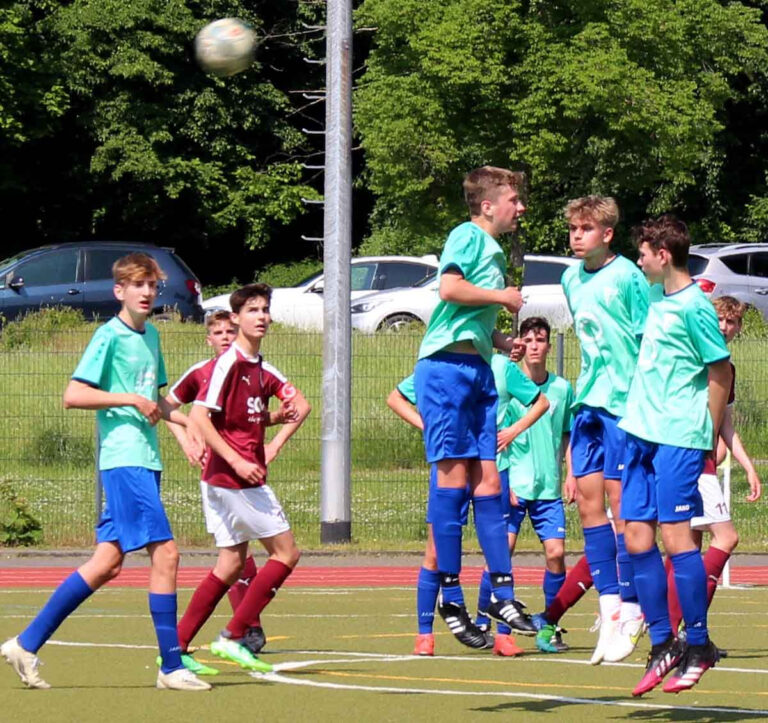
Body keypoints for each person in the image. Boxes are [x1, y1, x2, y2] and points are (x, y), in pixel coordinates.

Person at [0, 253, 210, 691]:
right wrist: (129, 401)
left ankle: (25, 643)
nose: (148, 292)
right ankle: (171, 666)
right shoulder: (108, 336)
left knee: (107, 562)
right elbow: (73, 395)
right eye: (138, 285)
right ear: (120, 291)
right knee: (167, 554)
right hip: (123, 458)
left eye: (152, 285)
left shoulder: (151, 335)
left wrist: (188, 429)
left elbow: (158, 401)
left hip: (145, 460)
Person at [414, 166, 536, 646]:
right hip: (445, 369)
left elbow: (469, 313)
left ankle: (501, 591)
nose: (520, 207)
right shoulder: (467, 234)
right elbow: (448, 289)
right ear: (488, 205)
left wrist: (499, 338)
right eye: (513, 199)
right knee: (453, 477)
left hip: (477, 369)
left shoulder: (494, 247)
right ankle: (448, 592)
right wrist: (502, 298)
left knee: (489, 479)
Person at [619, 214, 732, 696]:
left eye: (643, 252)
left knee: (676, 539)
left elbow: (721, 372)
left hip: (679, 437)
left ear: (662, 255)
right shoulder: (653, 295)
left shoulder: (696, 307)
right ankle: (664, 642)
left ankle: (700, 645)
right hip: (638, 434)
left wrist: (705, 433)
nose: (638, 259)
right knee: (637, 539)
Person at [162, 310, 299, 675]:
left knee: (231, 563)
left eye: (228, 330)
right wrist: (187, 437)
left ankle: (177, 648)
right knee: (285, 553)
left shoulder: (255, 368)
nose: (224, 336)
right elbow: (181, 411)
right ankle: (236, 632)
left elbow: (285, 409)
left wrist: (278, 427)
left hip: (222, 477)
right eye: (218, 331)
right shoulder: (215, 369)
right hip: (233, 477)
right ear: (209, 338)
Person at [561, 195, 649, 664]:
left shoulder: (629, 278)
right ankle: (610, 607)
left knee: (622, 504)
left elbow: (645, 338)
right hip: (588, 401)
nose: (576, 236)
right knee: (588, 506)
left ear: (607, 234)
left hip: (624, 404)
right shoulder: (570, 278)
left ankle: (633, 607)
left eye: (585, 229)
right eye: (573, 228)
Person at [478, 316, 577, 654]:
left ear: (549, 345)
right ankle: (494, 626)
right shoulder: (509, 382)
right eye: (529, 340)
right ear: (520, 344)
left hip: (548, 487)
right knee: (500, 556)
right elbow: (497, 435)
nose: (534, 346)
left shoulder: (562, 389)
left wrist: (571, 474)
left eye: (541, 340)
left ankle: (549, 626)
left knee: (557, 553)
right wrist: (504, 479)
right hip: (514, 485)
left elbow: (566, 434)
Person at [665, 295, 762, 635]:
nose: (724, 327)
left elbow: (726, 424)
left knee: (687, 548)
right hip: (687, 460)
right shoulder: (694, 357)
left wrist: (748, 467)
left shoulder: (726, 368)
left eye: (731, 322)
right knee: (726, 537)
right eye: (719, 319)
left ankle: (673, 632)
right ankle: (679, 629)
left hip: (700, 460)